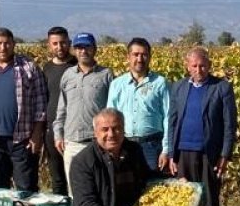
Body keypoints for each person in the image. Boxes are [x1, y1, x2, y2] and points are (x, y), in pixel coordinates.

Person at [0, 28, 48, 191]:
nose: (2, 47)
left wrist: (37, 134)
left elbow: (41, 102)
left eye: (7, 43)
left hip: (23, 139)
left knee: (26, 187)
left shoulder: (29, 68)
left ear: (13, 44)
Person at [168, 47, 237, 206]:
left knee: (209, 201)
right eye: (194, 66)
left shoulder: (221, 87)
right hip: (183, 152)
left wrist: (224, 155)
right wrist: (171, 153)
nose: (199, 70)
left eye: (203, 66)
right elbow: (172, 121)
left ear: (210, 65)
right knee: (184, 201)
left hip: (209, 153)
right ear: (187, 66)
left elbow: (230, 124)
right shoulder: (178, 87)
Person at [53, 33, 114, 196]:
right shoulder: (68, 75)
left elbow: (112, 110)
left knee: (100, 189)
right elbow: (62, 108)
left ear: (94, 49)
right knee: (75, 191)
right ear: (74, 50)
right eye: (79, 47)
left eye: (87, 46)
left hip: (97, 143)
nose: (83, 51)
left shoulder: (106, 75)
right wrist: (58, 134)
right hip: (71, 142)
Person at [106, 37, 172, 172]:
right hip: (124, 145)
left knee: (152, 189)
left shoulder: (160, 83)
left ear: (150, 57)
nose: (140, 59)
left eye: (144, 55)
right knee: (126, 187)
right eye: (136, 55)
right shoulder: (117, 85)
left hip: (152, 146)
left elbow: (169, 117)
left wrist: (166, 150)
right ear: (128, 57)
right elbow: (110, 118)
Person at [40, 26, 76, 195]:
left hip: (75, 131)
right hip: (52, 132)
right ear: (49, 45)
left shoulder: (77, 65)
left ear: (69, 43)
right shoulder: (46, 69)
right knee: (57, 177)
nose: (59, 47)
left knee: (76, 176)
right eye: (55, 43)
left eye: (63, 43)